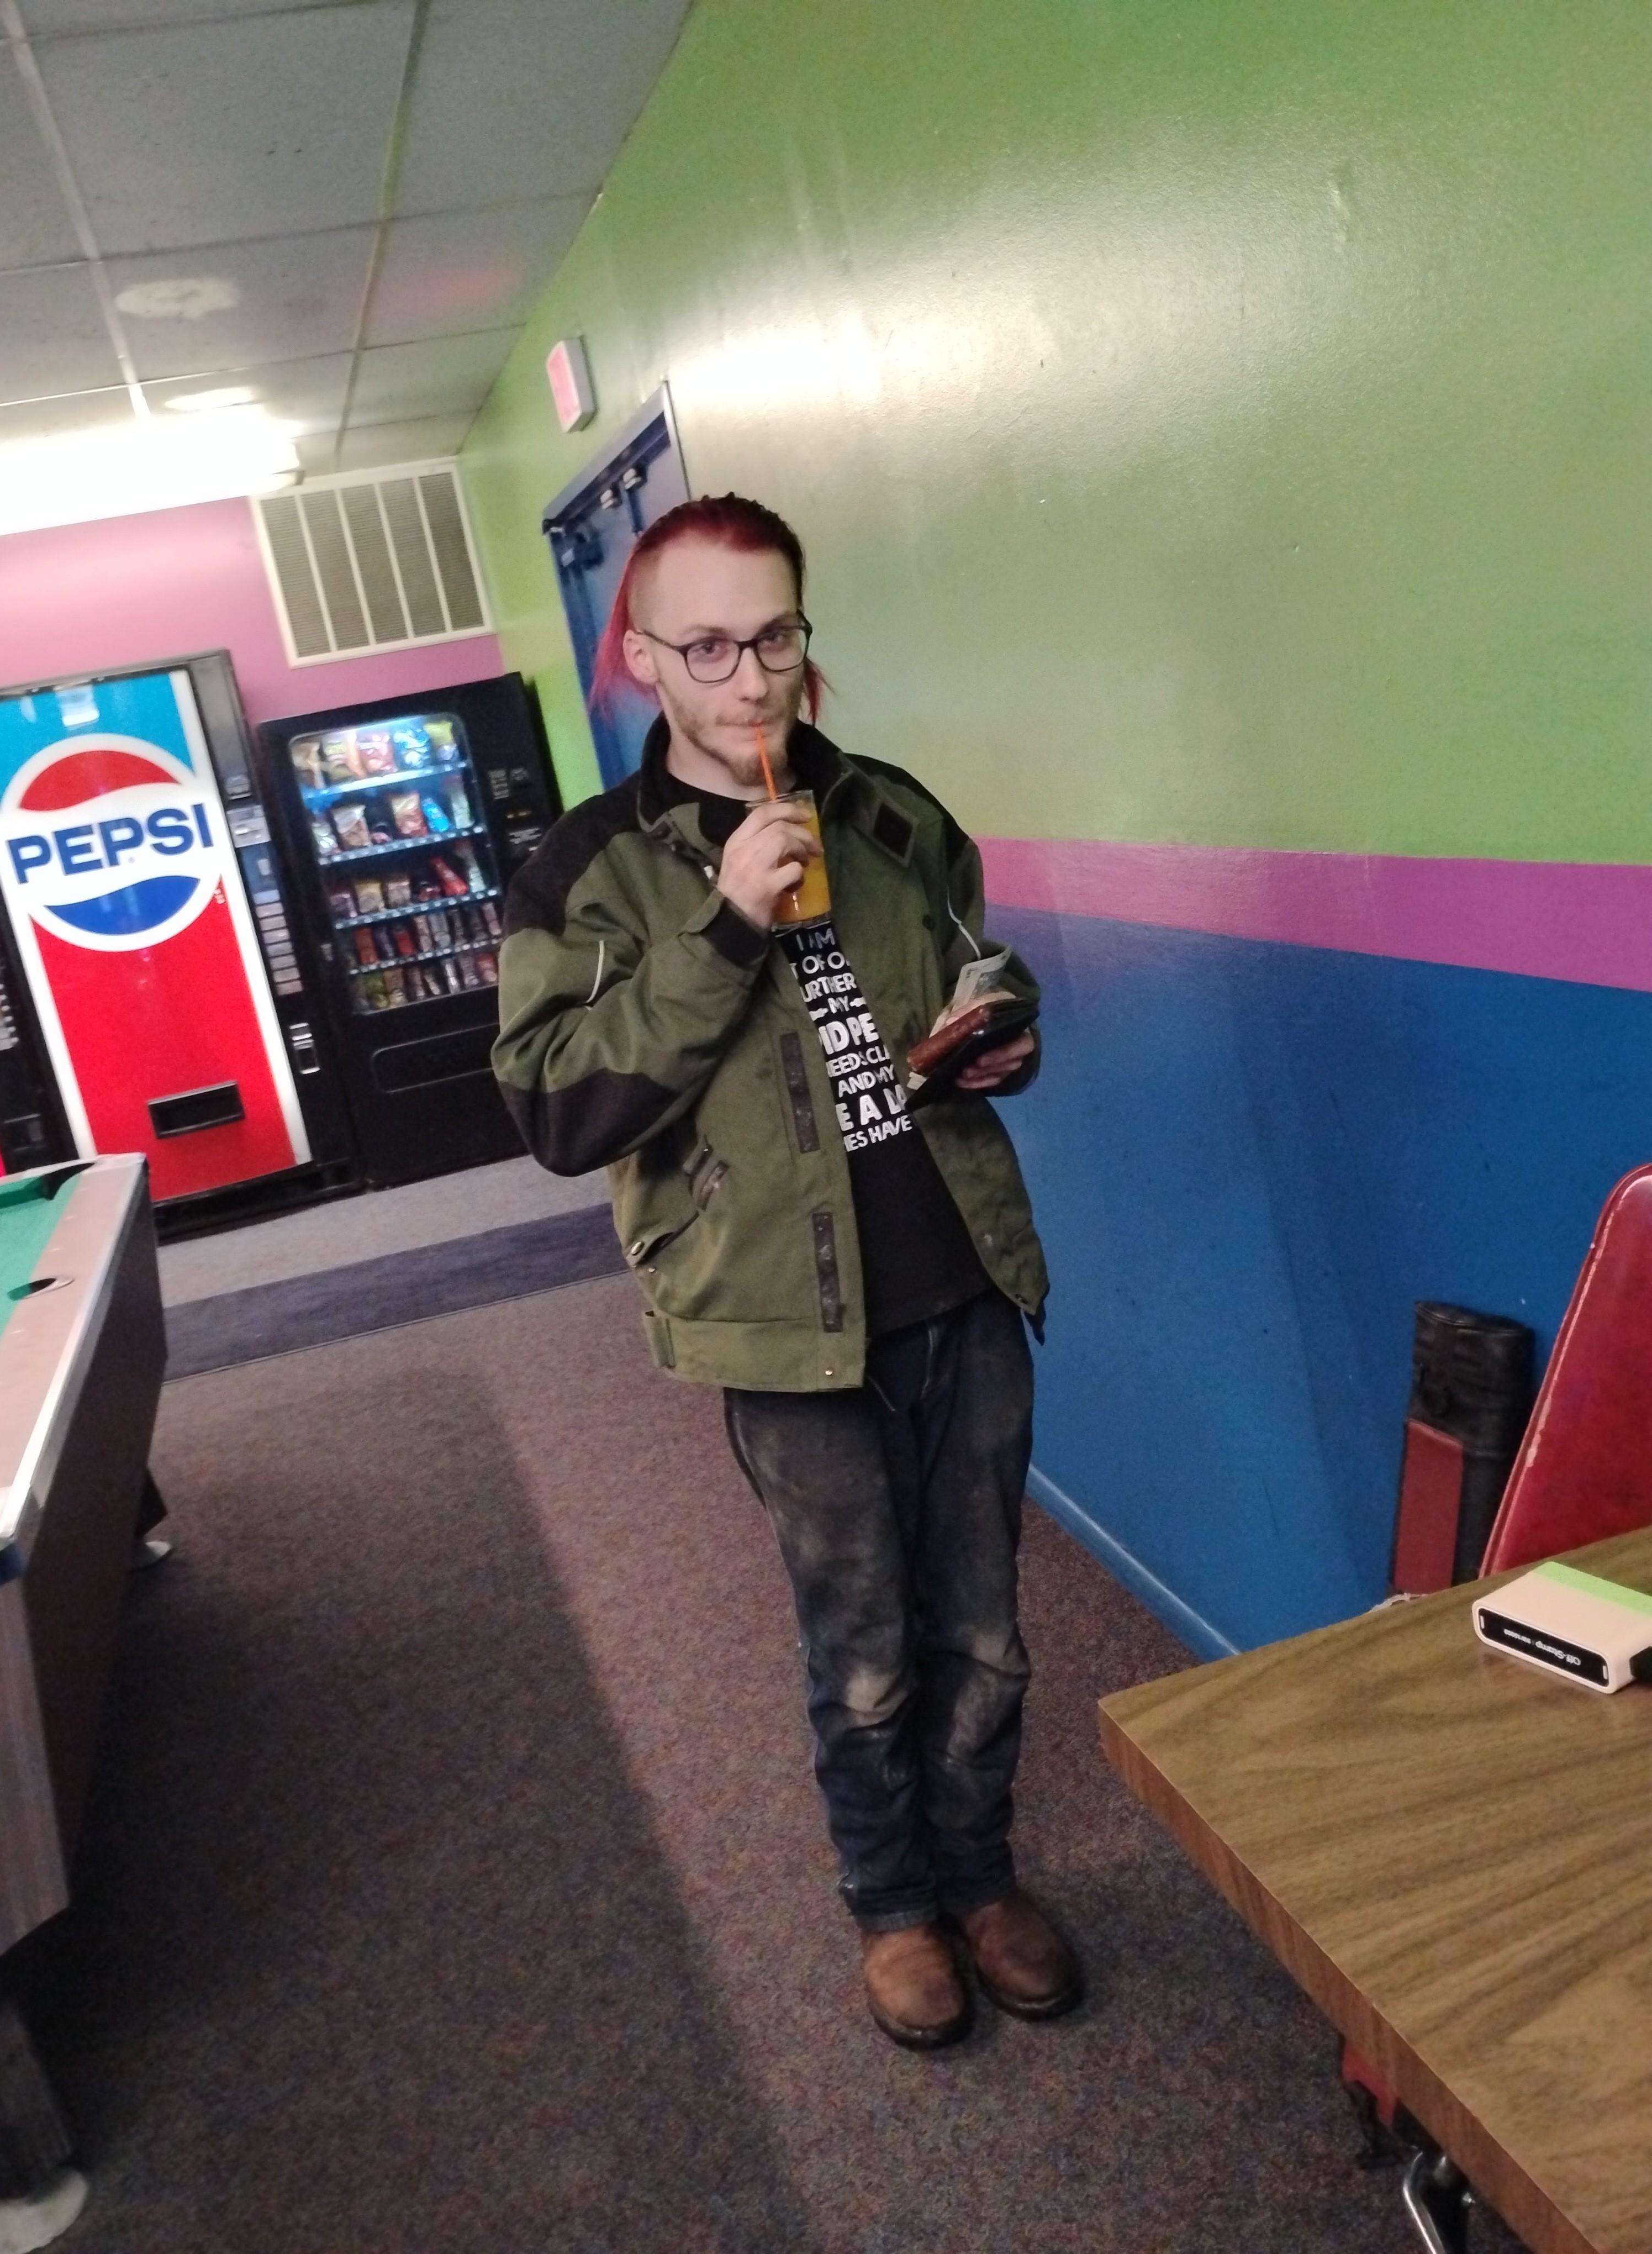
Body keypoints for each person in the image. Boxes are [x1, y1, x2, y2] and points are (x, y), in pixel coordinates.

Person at [492, 494, 1080, 2049]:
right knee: (866, 1652)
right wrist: (726, 926)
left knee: (987, 1632)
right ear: (640, 657)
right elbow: (557, 1109)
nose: (749, 677)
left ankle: (982, 1877)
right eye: (707, 647)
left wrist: (999, 1036)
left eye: (775, 637)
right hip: (775, 1325)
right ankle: (893, 1906)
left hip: (960, 1276)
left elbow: (970, 963)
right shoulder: (588, 874)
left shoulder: (889, 812)